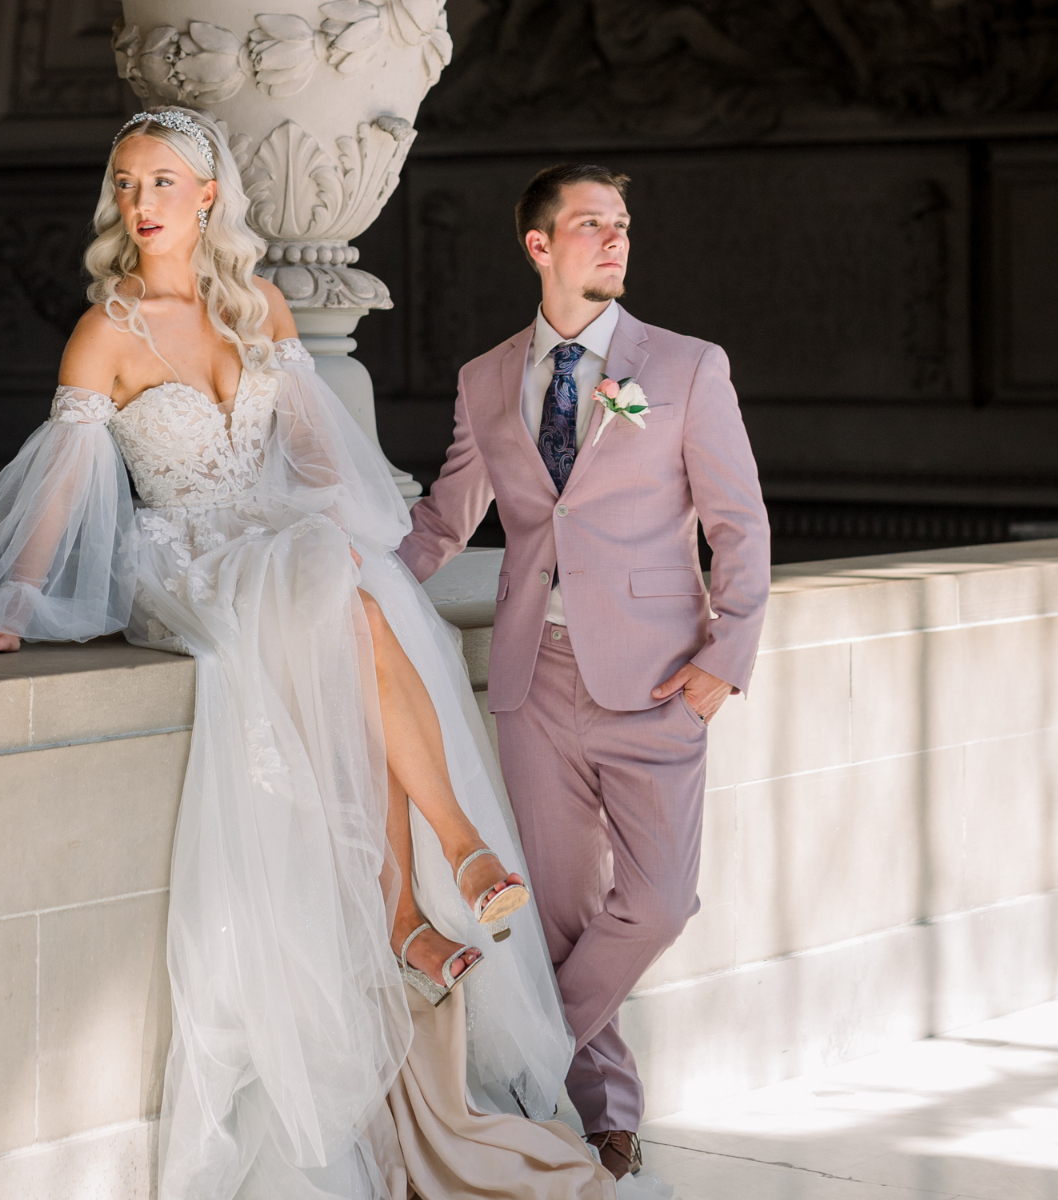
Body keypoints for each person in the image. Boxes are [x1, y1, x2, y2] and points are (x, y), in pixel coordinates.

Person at [0, 109, 623, 1200]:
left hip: (275, 546)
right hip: (181, 561)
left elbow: (316, 455)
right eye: (127, 182)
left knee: (349, 592)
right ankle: (456, 852)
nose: (140, 202)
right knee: (337, 594)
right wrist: (14, 603)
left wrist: (335, 521)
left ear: (208, 196)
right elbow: (60, 489)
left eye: (163, 181)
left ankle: (409, 914)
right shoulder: (105, 331)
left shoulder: (259, 308)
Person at [398, 164, 771, 1180]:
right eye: (592, 224)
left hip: (659, 678)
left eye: (623, 225)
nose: (615, 239)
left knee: (660, 902)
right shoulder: (487, 379)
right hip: (533, 679)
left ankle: (516, 1059)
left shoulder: (686, 367)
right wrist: (359, 586)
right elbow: (445, 519)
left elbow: (739, 522)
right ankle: (606, 1115)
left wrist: (726, 657)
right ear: (539, 245)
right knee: (560, 913)